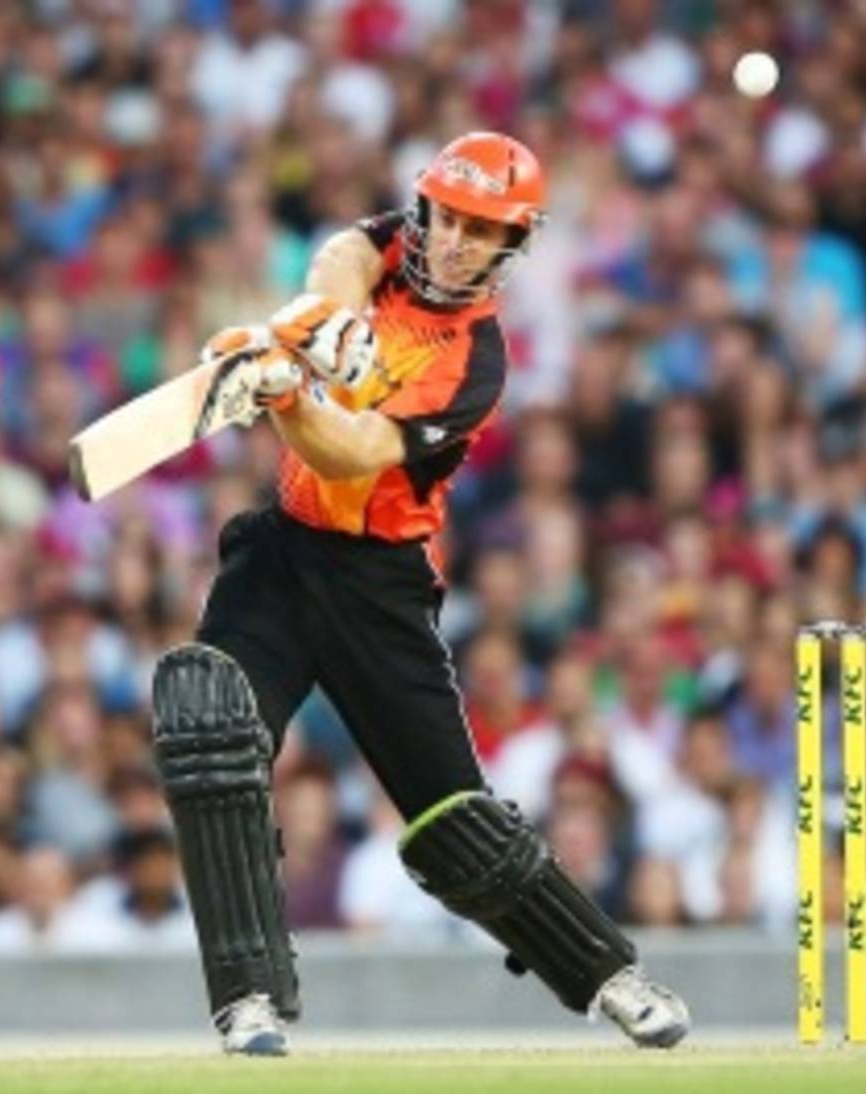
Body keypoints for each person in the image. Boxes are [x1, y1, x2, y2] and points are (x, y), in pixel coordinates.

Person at [149, 132, 690, 1056]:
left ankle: (611, 976)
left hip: (379, 585)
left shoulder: (476, 362)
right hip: (280, 558)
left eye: (483, 231)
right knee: (209, 727)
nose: (454, 242)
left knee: (453, 822)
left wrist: (285, 394)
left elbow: (351, 453)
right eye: (448, 217)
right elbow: (344, 253)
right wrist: (322, 322)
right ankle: (249, 1002)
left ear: (511, 248)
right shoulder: (395, 245)